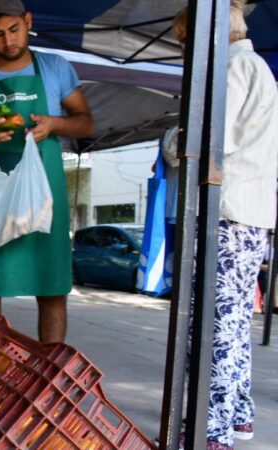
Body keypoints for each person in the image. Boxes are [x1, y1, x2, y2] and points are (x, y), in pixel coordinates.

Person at [0, 0, 94, 343]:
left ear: (27, 22)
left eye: (14, 30)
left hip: (43, 193)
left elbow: (86, 123)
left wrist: (56, 123)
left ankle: (50, 371)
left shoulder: (55, 68)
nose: (8, 40)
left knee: (51, 287)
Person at [172, 2, 278, 448]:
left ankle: (209, 427)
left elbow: (209, 140)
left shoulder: (233, 70)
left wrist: (172, 140)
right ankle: (236, 414)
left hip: (228, 214)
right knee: (232, 321)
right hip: (249, 214)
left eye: (183, 42)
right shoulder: (257, 68)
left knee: (214, 322)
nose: (183, 53)